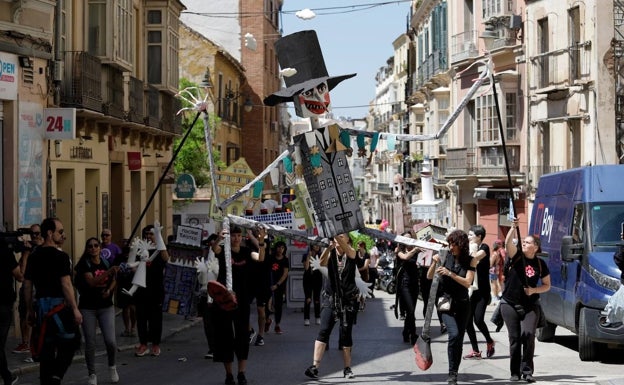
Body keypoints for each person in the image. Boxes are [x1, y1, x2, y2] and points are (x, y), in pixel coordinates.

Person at [24, 217, 83, 385]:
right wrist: (75, 308)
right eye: (60, 232)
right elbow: (66, 284)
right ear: (50, 233)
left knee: (46, 348)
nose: (63, 235)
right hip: (59, 307)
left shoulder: (34, 256)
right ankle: (56, 376)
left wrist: (30, 310)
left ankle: (48, 380)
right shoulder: (61, 256)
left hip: (41, 308)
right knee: (72, 341)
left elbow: (27, 286)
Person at [212, 225, 267, 385]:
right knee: (225, 337)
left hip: (242, 301)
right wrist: (218, 239)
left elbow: (261, 258)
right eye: (233, 235)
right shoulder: (224, 252)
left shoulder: (246, 252)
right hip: (224, 301)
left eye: (238, 235)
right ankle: (229, 375)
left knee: (242, 336)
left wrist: (261, 241)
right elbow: (215, 249)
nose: (236, 238)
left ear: (242, 237)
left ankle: (241, 373)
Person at [304, 234, 361, 380]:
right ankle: (315, 367)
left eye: (342, 236)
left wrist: (335, 234)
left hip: (347, 300)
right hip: (330, 298)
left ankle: (347, 368)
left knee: (346, 334)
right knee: (323, 331)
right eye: (337, 237)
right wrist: (328, 248)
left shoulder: (351, 252)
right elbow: (321, 263)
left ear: (348, 240)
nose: (338, 239)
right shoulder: (331, 253)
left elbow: (349, 252)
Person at [501, 220, 551, 383]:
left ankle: (527, 371)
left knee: (528, 335)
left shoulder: (540, 264)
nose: (524, 243)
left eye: (527, 242)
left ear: (535, 247)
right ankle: (514, 372)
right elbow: (508, 243)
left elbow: (547, 285)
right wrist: (513, 228)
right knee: (514, 338)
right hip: (509, 303)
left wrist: (533, 290)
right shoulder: (516, 256)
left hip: (530, 305)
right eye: (523, 241)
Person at [427, 229, 475, 385]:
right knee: (453, 335)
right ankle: (451, 372)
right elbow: (429, 276)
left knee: (459, 339)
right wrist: (435, 262)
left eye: (454, 244)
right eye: (449, 244)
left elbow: (468, 282)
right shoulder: (444, 256)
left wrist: (450, 274)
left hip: (462, 303)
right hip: (445, 302)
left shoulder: (469, 260)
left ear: (461, 245)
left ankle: (454, 372)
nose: (451, 247)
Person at [74, 237, 119, 385]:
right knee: (90, 343)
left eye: (96, 245)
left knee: (111, 341)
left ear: (100, 248)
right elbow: (92, 282)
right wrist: (108, 272)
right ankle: (92, 374)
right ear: (87, 249)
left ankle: (112, 366)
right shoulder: (83, 265)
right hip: (88, 308)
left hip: (106, 306)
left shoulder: (106, 262)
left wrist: (109, 290)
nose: (93, 248)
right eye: (90, 246)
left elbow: (114, 279)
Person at [134, 223, 170, 357]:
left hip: (156, 289)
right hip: (141, 289)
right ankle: (143, 344)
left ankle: (155, 344)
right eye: (147, 234)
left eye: (151, 234)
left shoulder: (160, 249)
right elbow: (132, 264)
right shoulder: (139, 248)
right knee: (141, 318)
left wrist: (158, 238)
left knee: (156, 318)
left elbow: (167, 258)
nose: (148, 236)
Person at [463, 225, 495, 360]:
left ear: (479, 237)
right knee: (467, 322)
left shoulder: (484, 248)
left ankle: (489, 340)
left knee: (478, 319)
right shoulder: (468, 248)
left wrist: (470, 251)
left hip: (482, 291)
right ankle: (475, 350)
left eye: (471, 235)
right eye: (468, 235)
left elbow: (475, 258)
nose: (468, 237)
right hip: (471, 289)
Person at [13, 224, 43, 358]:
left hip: (39, 285)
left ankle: (36, 344)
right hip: (27, 284)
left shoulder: (43, 248)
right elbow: (22, 270)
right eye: (32, 234)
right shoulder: (28, 248)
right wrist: (25, 252)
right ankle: (25, 342)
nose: (34, 236)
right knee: (23, 312)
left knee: (36, 315)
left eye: (37, 233)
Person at [1, 237, 23, 385]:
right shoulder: (5, 251)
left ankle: (7, 377)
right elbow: (20, 275)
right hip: (3, 303)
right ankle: (7, 377)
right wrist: (25, 254)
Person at [395, 231, 421, 345]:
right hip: (404, 284)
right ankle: (413, 334)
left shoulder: (416, 250)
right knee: (410, 310)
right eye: (406, 239)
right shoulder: (399, 250)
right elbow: (405, 257)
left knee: (411, 311)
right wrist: (415, 250)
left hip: (414, 283)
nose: (408, 241)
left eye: (410, 239)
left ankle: (406, 332)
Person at [196, 233, 219, 358]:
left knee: (219, 322)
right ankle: (212, 348)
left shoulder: (225, 257)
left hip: (220, 294)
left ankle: (220, 346)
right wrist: (203, 271)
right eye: (211, 243)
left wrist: (216, 270)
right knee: (208, 323)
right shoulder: (206, 259)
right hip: (206, 294)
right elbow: (201, 280)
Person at [266, 241, 289, 335]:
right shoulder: (271, 258)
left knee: (278, 306)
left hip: (279, 286)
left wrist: (277, 285)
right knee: (267, 305)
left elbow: (285, 274)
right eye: (279, 247)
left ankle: (277, 325)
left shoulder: (285, 260)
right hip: (269, 284)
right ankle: (267, 321)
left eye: (282, 248)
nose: (280, 250)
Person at [114, 240, 136, 338]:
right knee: (125, 308)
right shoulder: (119, 258)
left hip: (133, 285)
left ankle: (133, 328)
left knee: (133, 308)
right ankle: (127, 328)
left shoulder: (136, 257)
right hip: (122, 284)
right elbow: (114, 269)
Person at [302, 244, 323, 326]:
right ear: (311, 246)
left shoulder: (321, 255)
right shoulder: (305, 255)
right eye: (315, 245)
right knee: (308, 298)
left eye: (318, 245)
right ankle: (306, 318)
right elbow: (306, 268)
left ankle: (317, 317)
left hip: (317, 279)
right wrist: (308, 257)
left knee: (317, 299)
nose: (317, 246)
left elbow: (322, 266)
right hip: (307, 279)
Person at [354, 241, 370, 310]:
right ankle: (358, 302)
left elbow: (365, 266)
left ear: (363, 246)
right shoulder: (356, 253)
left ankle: (362, 303)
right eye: (357, 246)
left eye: (359, 246)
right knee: (357, 289)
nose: (358, 248)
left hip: (363, 274)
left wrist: (357, 270)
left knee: (362, 289)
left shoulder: (367, 255)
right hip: (356, 275)